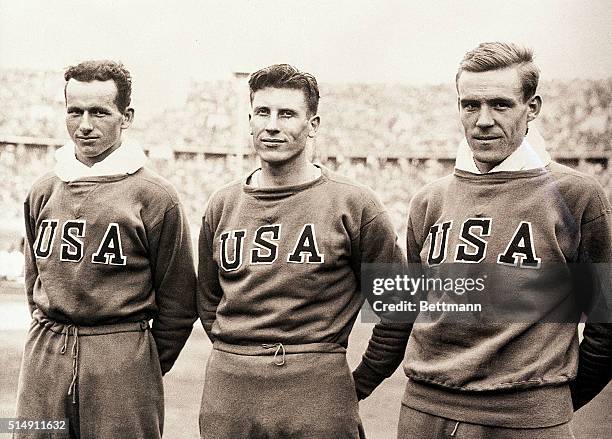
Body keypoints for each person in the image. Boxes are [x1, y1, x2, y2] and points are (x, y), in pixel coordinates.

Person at [353, 42, 612, 438]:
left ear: (533, 107)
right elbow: (397, 315)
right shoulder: (429, 199)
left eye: (501, 105)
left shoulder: (578, 195)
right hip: (423, 412)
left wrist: (549, 407)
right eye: (470, 104)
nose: (483, 119)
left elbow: (606, 322)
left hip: (526, 419)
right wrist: (354, 387)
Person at [197, 63, 404, 438]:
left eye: (287, 114)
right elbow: (208, 301)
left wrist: (354, 383)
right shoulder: (222, 203)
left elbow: (397, 309)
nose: (272, 125)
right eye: (263, 112)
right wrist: (240, 355)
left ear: (313, 125)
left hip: (315, 390)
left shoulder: (354, 204)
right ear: (250, 119)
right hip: (228, 390)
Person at [15, 60, 197, 438]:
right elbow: (36, 281)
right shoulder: (43, 190)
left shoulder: (155, 196)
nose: (85, 124)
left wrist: (135, 361)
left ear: (125, 117)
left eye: (99, 112)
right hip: (45, 354)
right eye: (75, 111)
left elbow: (178, 302)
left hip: (120, 356)